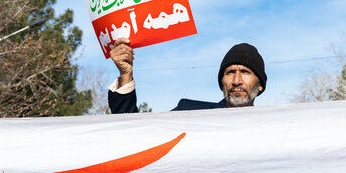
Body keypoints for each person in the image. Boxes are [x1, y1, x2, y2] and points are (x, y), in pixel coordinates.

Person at [107, 38, 267, 113]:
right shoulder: (188, 114)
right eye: (230, 72)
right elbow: (134, 135)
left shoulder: (276, 129)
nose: (236, 81)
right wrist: (125, 74)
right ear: (221, 82)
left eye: (245, 72)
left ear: (260, 84)